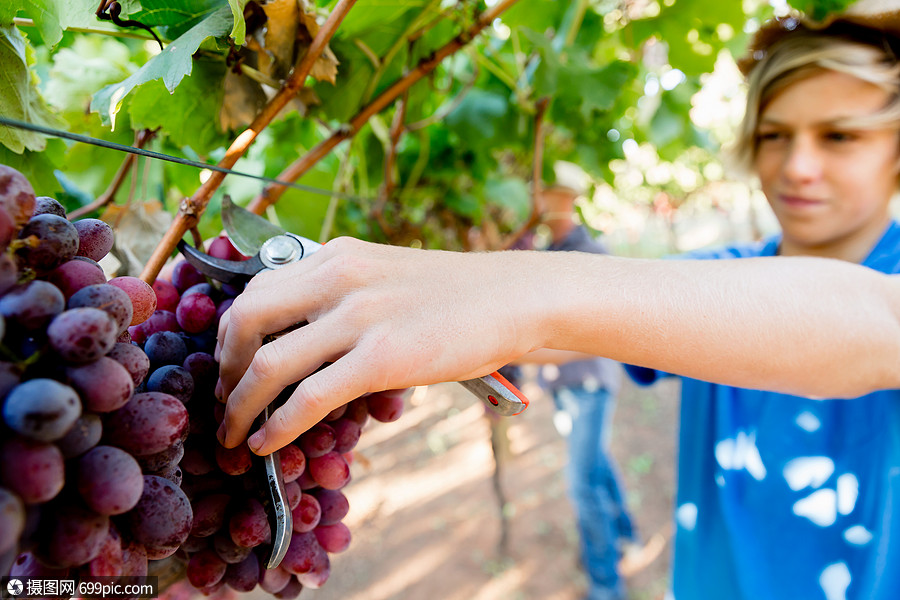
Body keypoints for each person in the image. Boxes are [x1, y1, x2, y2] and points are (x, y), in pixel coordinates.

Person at [215, 4, 900, 598]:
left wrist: (530, 288)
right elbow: (565, 328)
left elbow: (875, 322)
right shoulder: (730, 271)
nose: (798, 165)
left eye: (840, 136)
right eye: (776, 135)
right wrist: (417, 297)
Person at [521, 164, 637, 600]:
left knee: (580, 484)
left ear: (563, 201)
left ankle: (607, 585)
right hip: (566, 385)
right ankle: (625, 532)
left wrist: (524, 349)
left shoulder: (589, 253)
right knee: (596, 464)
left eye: (543, 194)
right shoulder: (553, 251)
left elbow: (611, 327)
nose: (535, 203)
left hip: (589, 384)